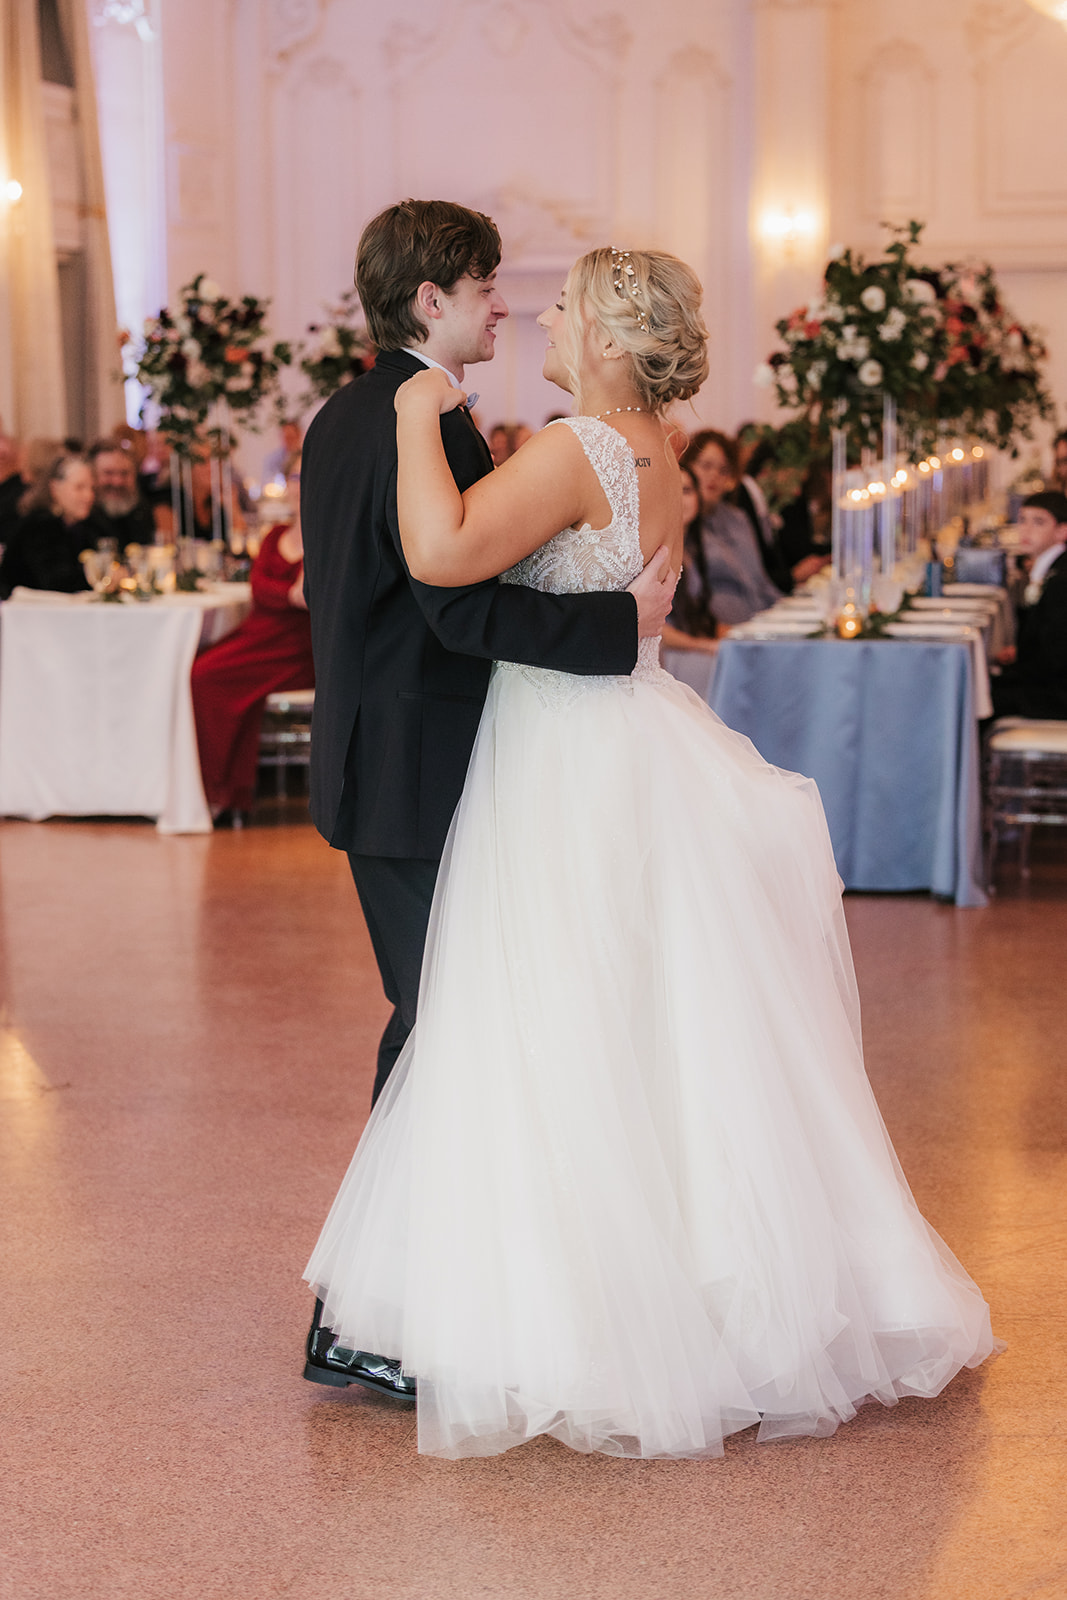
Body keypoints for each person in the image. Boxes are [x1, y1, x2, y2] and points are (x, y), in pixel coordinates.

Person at [304, 245, 998, 1461]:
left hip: (564, 758)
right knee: (632, 1026)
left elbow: (440, 556)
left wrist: (418, 410)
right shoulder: (655, 450)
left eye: (567, 302)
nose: (544, 312)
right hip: (610, 735)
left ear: (612, 334)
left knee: (546, 1025)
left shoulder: (578, 449)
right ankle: (665, 1294)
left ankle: (571, 1313)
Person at [297, 203, 675, 1401]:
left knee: (448, 1029)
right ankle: (362, 1315)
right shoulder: (414, 417)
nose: (504, 302)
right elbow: (452, 601)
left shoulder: (369, 411)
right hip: (411, 771)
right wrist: (620, 625)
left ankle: (395, 1304)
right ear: (429, 302)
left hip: (419, 760)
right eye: (484, 285)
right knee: (439, 1031)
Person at [190, 460, 314, 824]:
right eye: (294, 477)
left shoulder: (327, 535)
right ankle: (215, 788)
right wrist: (286, 594)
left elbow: (307, 597)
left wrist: (288, 595)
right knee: (200, 667)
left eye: (307, 476)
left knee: (207, 676)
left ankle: (225, 791)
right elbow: (260, 589)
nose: (299, 486)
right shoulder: (276, 535)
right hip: (259, 635)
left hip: (293, 648)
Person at [682, 430, 783, 624]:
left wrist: (785, 612)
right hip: (717, 632)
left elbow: (761, 581)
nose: (714, 475)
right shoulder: (683, 523)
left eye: (723, 470)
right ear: (688, 466)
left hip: (758, 621)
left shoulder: (737, 518)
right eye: (706, 466)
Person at [992, 490, 1067, 718]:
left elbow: (1054, 660)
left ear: (1062, 531)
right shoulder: (1050, 569)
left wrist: (1010, 672)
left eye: (1039, 522)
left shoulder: (1060, 581)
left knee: (976, 701)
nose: (1025, 529)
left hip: (1056, 696)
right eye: (1022, 520)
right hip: (1049, 683)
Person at [0, 452, 94, 598]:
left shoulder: (82, 527)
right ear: (55, 488)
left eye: (91, 488)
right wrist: (101, 576)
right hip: (25, 615)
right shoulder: (39, 526)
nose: (89, 496)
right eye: (79, 487)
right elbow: (57, 582)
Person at [661, 462, 719, 653]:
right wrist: (704, 646)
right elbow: (655, 630)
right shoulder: (656, 552)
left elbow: (702, 618)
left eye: (686, 490)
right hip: (670, 655)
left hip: (693, 649)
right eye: (671, 490)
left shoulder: (692, 550)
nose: (679, 498)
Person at [86, 439, 156, 554]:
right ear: (91, 476)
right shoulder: (82, 520)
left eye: (124, 473)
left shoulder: (142, 512)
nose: (117, 482)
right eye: (108, 473)